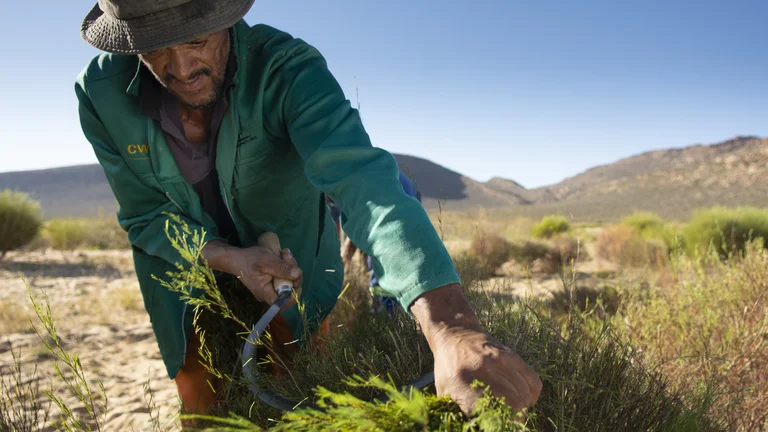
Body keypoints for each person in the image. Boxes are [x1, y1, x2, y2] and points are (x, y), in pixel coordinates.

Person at [75, 0, 542, 423]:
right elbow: (145, 216)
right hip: (184, 284)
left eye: (196, 40)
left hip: (293, 272)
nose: (180, 68)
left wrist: (451, 329)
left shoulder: (288, 69)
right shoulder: (100, 93)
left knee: (305, 393)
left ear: (225, 19)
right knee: (206, 411)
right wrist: (229, 257)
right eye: (154, 47)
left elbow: (365, 183)